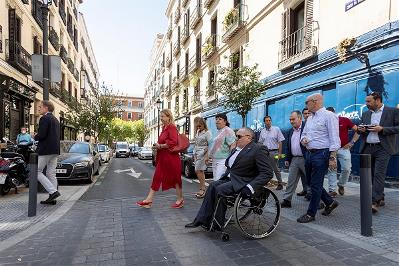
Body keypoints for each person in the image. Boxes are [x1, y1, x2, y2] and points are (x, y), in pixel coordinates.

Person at [185, 127, 273, 230]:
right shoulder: (236, 149)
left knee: (220, 190)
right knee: (212, 186)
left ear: (248, 137)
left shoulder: (258, 149)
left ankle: (217, 223)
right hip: (231, 178)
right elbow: (230, 166)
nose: (236, 138)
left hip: (243, 181)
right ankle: (202, 219)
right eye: (236, 136)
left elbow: (267, 173)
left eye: (239, 136)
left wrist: (250, 187)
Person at [297, 93, 340, 223]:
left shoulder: (329, 116)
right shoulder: (309, 118)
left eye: (306, 102)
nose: (305, 105)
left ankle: (311, 214)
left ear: (315, 102)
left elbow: (334, 138)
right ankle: (330, 202)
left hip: (322, 154)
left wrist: (332, 157)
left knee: (315, 185)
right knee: (310, 182)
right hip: (309, 153)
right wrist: (303, 139)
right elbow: (303, 133)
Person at [358, 92, 399, 213]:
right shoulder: (365, 114)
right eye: (366, 101)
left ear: (378, 100)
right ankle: (380, 197)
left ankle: (374, 202)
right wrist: (361, 129)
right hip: (367, 147)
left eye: (369, 101)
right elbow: (362, 131)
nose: (366, 104)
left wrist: (382, 129)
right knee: (369, 175)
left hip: (383, 148)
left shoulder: (392, 111)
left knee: (379, 174)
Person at [136, 109, 183, 209]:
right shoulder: (164, 128)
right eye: (160, 116)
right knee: (157, 177)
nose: (160, 118)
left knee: (175, 179)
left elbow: (173, 142)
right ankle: (149, 200)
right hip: (163, 158)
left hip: (171, 158)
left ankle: (180, 199)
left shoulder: (172, 128)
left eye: (162, 116)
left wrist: (160, 146)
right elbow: (164, 141)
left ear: (168, 117)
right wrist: (157, 146)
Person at [326, 107, 359, 196]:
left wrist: (351, 143)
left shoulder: (344, 120)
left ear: (334, 113)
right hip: (331, 150)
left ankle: (341, 184)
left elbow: (358, 131)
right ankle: (332, 190)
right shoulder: (325, 123)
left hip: (343, 149)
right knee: (332, 168)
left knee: (347, 169)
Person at [34, 101, 61, 205]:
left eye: (40, 107)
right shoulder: (55, 120)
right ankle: (52, 198)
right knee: (51, 173)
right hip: (55, 150)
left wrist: (35, 136)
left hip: (45, 150)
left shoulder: (44, 118)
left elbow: (42, 135)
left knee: (37, 171)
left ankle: (53, 192)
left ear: (46, 108)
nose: (39, 109)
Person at [281, 111, 309, 208]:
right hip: (294, 159)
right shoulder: (290, 131)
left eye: (293, 119)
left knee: (311, 180)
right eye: (290, 119)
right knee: (291, 180)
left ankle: (317, 200)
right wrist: (287, 158)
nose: (291, 121)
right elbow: (288, 146)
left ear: (300, 118)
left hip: (306, 158)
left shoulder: (307, 128)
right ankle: (287, 200)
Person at [258, 116, 285, 190]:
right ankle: (266, 182)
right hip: (265, 153)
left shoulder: (276, 129)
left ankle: (280, 184)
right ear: (264, 122)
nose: (268, 122)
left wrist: (280, 153)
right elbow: (260, 142)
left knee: (275, 168)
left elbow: (280, 141)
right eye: (266, 121)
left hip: (274, 152)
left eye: (269, 120)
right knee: (266, 168)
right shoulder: (262, 131)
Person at [208, 113, 236, 181]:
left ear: (225, 121)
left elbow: (233, 144)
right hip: (215, 159)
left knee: (218, 180)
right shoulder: (218, 131)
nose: (217, 121)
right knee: (215, 179)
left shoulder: (228, 130)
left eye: (220, 119)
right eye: (216, 119)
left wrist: (230, 159)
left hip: (223, 160)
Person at [193, 117, 212, 198]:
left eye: (200, 126)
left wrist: (207, 155)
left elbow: (210, 144)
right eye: (197, 126)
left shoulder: (207, 133)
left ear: (204, 125)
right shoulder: (198, 131)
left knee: (198, 170)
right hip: (197, 153)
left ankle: (202, 189)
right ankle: (202, 188)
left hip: (203, 153)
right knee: (199, 171)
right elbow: (196, 143)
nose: (198, 128)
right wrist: (194, 154)